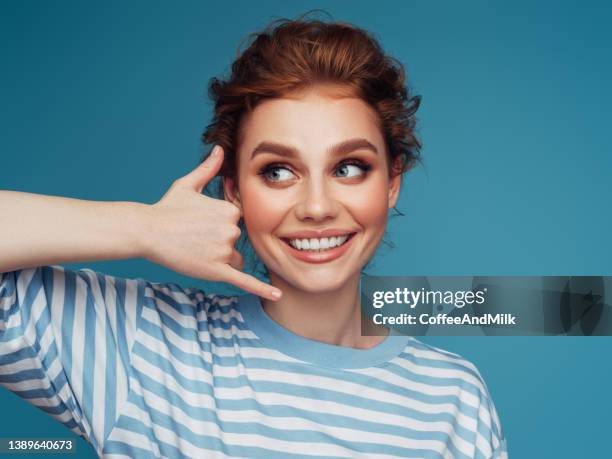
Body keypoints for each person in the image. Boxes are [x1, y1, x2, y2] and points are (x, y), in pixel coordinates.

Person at [0, 16, 508, 459]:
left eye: (349, 167)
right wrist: (142, 227)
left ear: (392, 182)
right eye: (278, 171)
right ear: (235, 192)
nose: (316, 207)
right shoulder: (140, 346)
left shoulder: (452, 398)